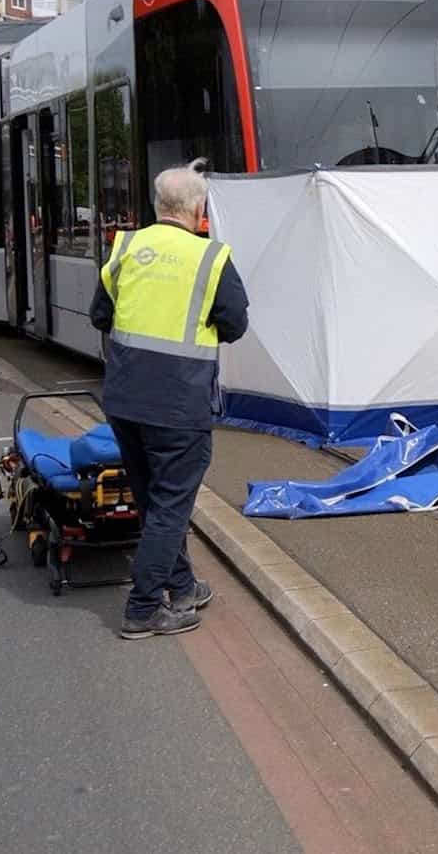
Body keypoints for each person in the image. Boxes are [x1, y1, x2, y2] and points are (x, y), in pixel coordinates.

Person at [89, 160, 249, 639]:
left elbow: (100, 315)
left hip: (124, 400)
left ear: (158, 205)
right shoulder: (210, 257)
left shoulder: (126, 248)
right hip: (178, 403)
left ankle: (182, 588)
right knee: (171, 507)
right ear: (198, 211)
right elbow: (235, 325)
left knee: (154, 500)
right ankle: (142, 609)